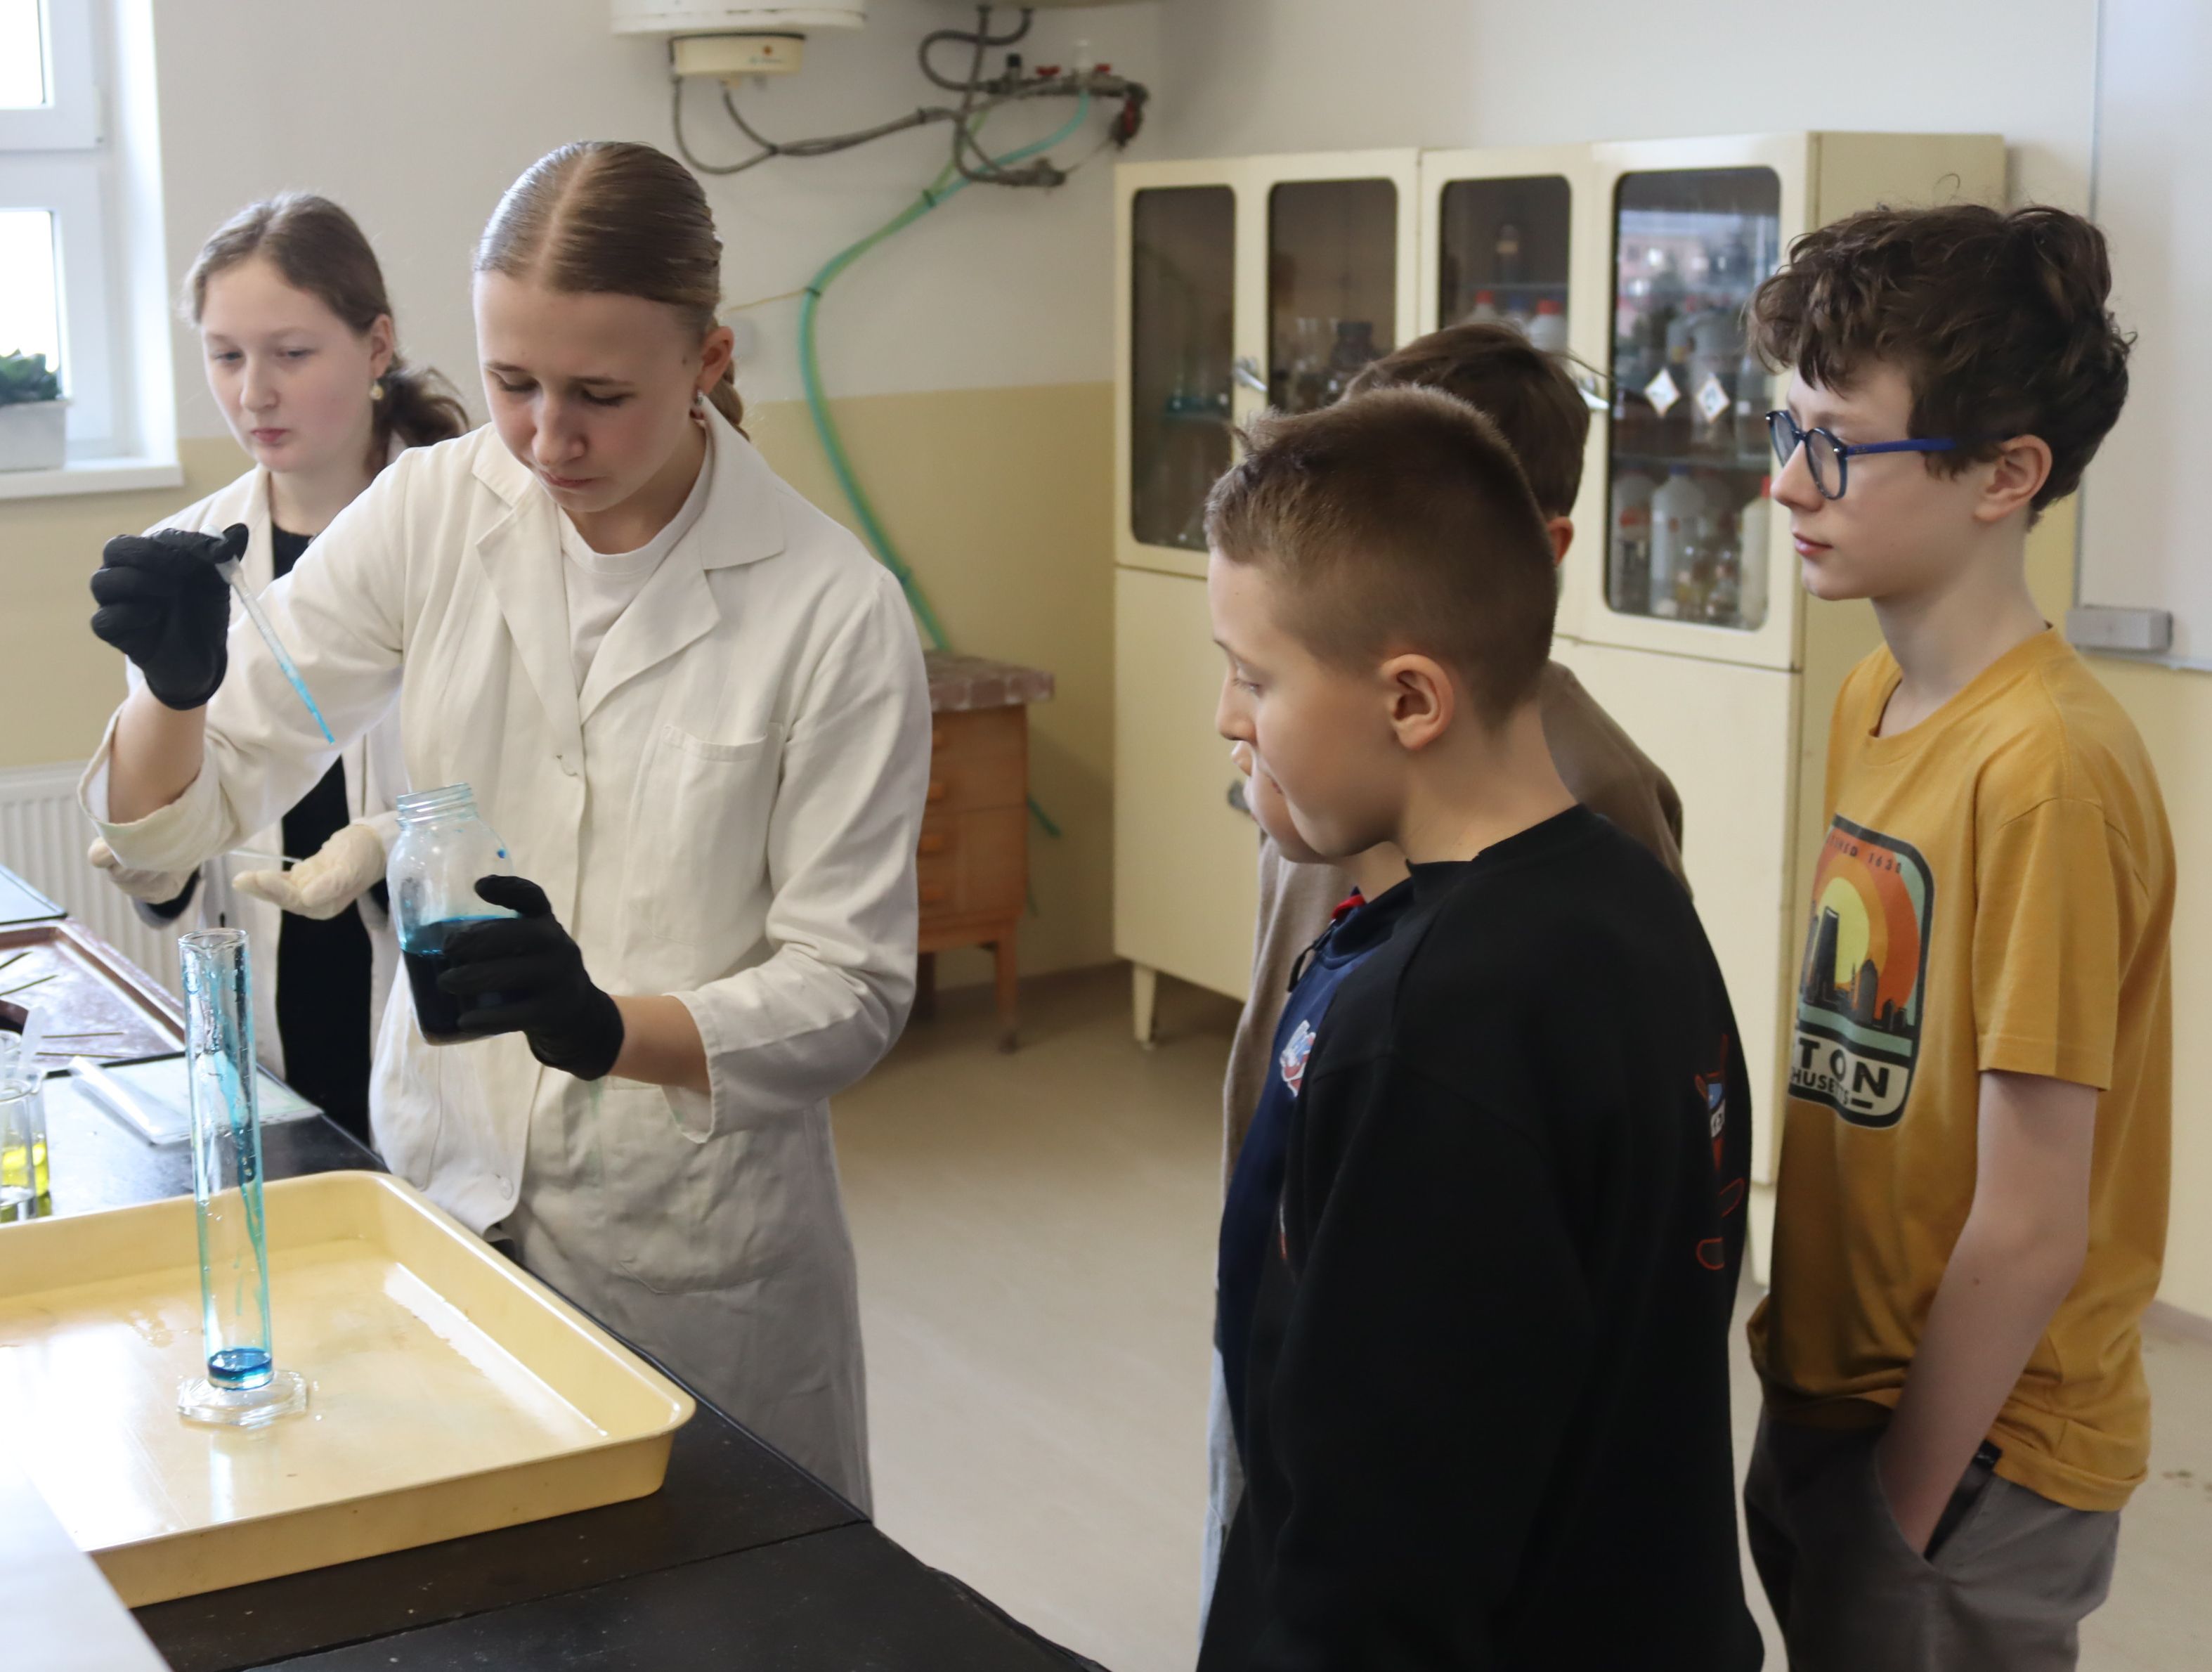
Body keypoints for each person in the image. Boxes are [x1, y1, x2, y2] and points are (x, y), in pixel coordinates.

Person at [79, 141, 930, 1508]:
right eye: (512, 382)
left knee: (706, 1581)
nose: (545, 439)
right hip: (446, 1187)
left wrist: (609, 1028)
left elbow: (853, 987)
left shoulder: (830, 608)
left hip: (689, 1238)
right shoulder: (433, 509)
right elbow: (183, 827)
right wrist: (170, 694)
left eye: (601, 394)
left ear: (707, 361)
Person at [1197, 388, 1759, 1669]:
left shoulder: (1432, 1030)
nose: (1229, 717)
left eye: (1254, 677)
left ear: (1411, 700)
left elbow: (1387, 1536)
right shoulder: (1628, 904)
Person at [1743, 205, 2171, 1671]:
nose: (1785, 482)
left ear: (2005, 473)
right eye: (1787, 429)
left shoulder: (2047, 769)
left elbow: (2033, 1220)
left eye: (1836, 447)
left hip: (1973, 1454)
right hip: (1836, 1393)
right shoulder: (1872, 696)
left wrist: (1897, 1512)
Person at [87, 196, 469, 1142]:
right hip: (272, 1017)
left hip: (445, 1002)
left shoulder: (468, 528)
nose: (254, 393)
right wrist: (146, 836)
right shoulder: (187, 552)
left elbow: (541, 774)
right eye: (226, 356)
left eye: (291, 354)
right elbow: (164, 863)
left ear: (377, 346)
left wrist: (393, 841)